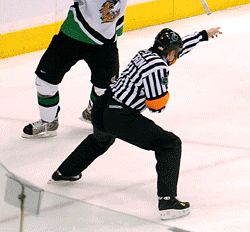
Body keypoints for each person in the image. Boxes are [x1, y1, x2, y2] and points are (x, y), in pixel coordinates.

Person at [22, 0, 186, 138]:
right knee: (44, 81)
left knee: (104, 89)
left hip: (106, 41)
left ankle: (92, 111)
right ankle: (48, 121)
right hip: (73, 35)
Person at [49, 26, 222, 220]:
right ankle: (167, 201)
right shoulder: (158, 67)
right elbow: (157, 105)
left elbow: (176, 51)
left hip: (101, 107)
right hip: (119, 116)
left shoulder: (145, 54)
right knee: (170, 144)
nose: (176, 57)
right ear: (169, 51)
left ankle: (65, 171)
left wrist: (202, 35)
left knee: (100, 140)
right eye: (175, 53)